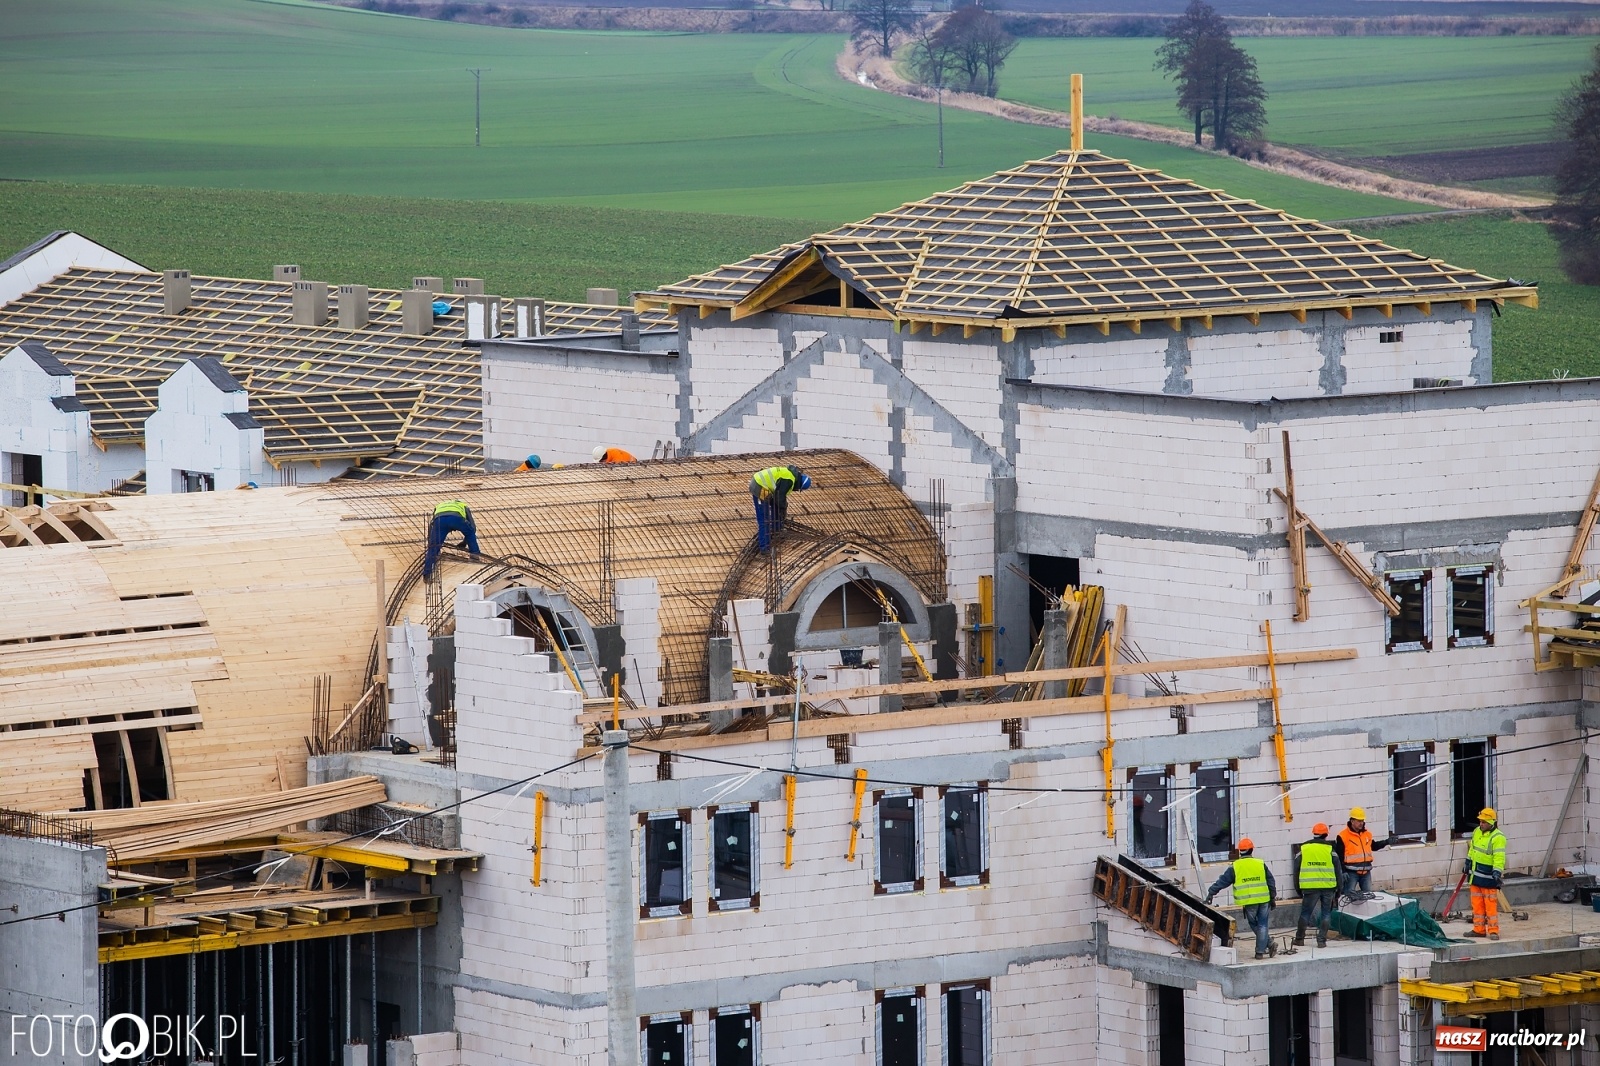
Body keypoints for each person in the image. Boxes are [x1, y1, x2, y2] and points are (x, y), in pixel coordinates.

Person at [1204, 837, 1277, 960]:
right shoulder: (1260, 863)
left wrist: (1211, 893)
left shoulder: (1236, 866)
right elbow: (1271, 881)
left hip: (1250, 901)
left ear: (1240, 852)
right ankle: (1265, 946)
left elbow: (1223, 881)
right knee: (1262, 925)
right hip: (1264, 899)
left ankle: (1263, 949)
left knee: (1255, 924)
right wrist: (1272, 897)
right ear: (1252, 850)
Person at [1293, 822, 1342, 948]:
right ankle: (1321, 941)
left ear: (1314, 834)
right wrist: (1339, 889)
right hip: (1328, 887)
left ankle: (1299, 939)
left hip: (1310, 887)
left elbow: (1296, 870)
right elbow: (1338, 871)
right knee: (1326, 914)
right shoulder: (1330, 849)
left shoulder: (1304, 849)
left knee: (1305, 914)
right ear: (1326, 834)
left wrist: (1298, 888)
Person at [1463, 807, 1507, 940]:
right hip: (1476, 875)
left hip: (1488, 876)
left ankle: (1493, 931)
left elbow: (1499, 857)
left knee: (1490, 906)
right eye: (1480, 821)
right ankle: (1479, 929)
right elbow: (1473, 849)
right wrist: (1467, 862)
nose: (1481, 824)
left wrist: (1497, 872)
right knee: (1477, 905)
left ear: (1491, 823)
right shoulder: (1477, 831)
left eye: (1484, 822)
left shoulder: (1498, 837)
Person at [1333, 806, 1394, 900]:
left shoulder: (1367, 834)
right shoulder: (1343, 836)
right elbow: (1339, 855)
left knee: (1368, 897)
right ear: (1352, 821)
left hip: (1366, 872)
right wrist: (1343, 871)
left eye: (1362, 820)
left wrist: (1386, 842)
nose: (1361, 823)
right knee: (1348, 898)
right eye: (1359, 821)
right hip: (1351, 873)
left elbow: (1374, 846)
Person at [749, 465, 813, 551]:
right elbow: (779, 497)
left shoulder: (791, 476)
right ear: (800, 485)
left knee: (776, 507)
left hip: (765, 487)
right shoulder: (789, 480)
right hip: (759, 486)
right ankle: (764, 548)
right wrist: (783, 508)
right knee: (765, 520)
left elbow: (779, 496)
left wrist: (782, 508)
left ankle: (776, 531)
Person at [423, 500, 480, 578]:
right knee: (470, 532)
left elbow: (432, 527)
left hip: (440, 520)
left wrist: (432, 544)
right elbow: (472, 528)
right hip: (456, 519)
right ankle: (475, 557)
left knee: (433, 547)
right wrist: (464, 542)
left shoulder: (439, 506)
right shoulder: (463, 505)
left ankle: (427, 572)